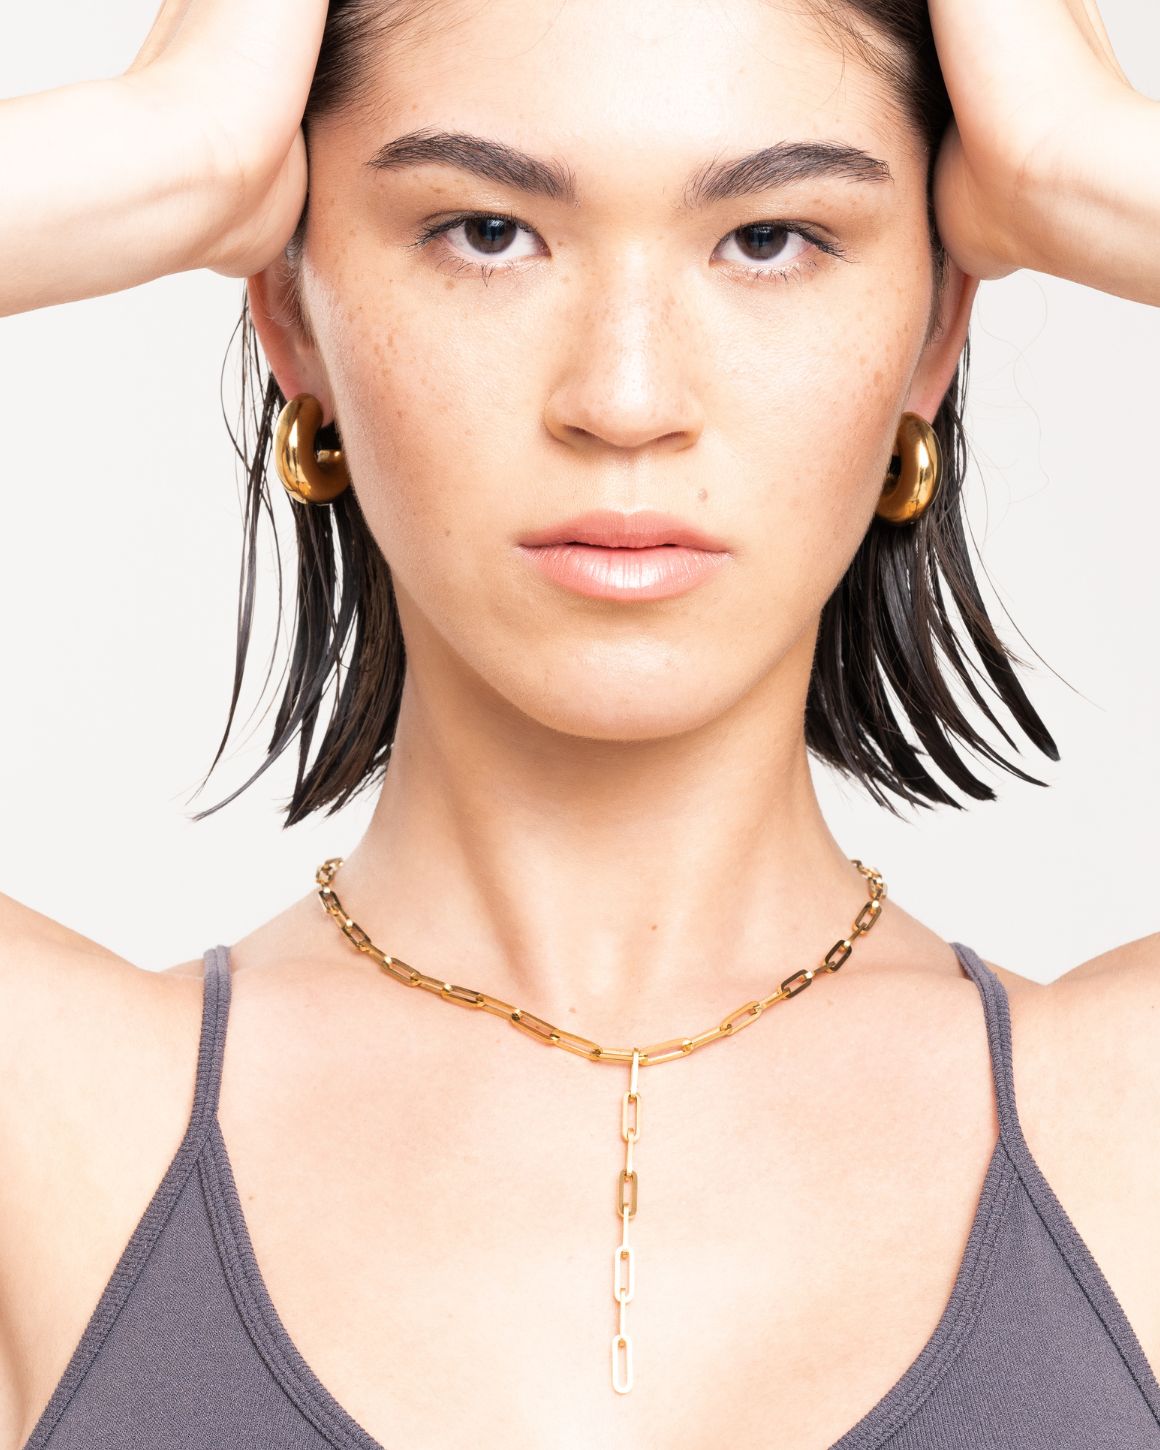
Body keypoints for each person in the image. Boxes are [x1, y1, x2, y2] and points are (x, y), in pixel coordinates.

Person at [2, 0, 1159, 1445]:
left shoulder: (1132, 1124)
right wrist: (167, 147)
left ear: (935, 325)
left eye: (769, 238)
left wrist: (1078, 156)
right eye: (488, 232)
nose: (625, 399)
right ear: (291, 311)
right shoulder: (43, 1117)